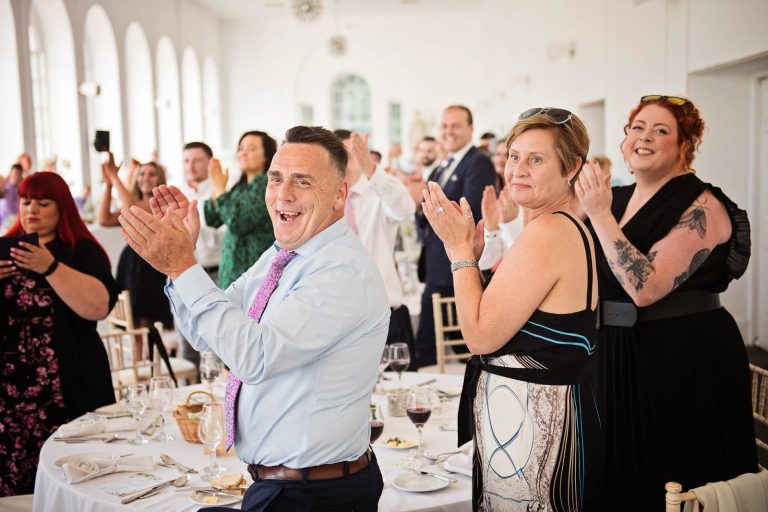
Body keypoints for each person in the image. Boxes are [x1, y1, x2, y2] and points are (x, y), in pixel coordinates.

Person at [118, 125, 388, 511]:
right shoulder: (282, 253)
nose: (284, 194)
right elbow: (208, 336)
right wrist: (180, 266)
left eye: (303, 181)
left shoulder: (340, 271)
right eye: (276, 178)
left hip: (316, 495)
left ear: (339, 195)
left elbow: (254, 357)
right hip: (282, 486)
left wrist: (182, 266)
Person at [576, 95, 757, 509]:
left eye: (661, 131)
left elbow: (646, 286)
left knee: (670, 476)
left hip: (679, 358)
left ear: (684, 145)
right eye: (637, 128)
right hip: (613, 352)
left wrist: (599, 216)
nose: (645, 137)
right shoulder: (616, 198)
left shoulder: (703, 205)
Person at [423, 107, 602, 511]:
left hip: (533, 429)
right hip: (539, 416)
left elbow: (479, 335)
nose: (518, 169)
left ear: (571, 167)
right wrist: (470, 255)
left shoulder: (547, 232)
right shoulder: (565, 226)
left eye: (536, 159)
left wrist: (457, 251)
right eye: (514, 156)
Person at [0, 172, 117, 496]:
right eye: (25, 201)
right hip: (12, 392)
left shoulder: (81, 251)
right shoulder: (5, 249)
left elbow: (97, 307)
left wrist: (49, 267)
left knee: (75, 481)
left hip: (67, 384)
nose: (31, 209)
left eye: (43, 202)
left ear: (62, 207)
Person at [414, 105, 496, 368]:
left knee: (459, 348)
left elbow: (468, 210)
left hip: (454, 267)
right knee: (430, 347)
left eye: (456, 125)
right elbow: (424, 210)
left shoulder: (478, 162)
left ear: (470, 129)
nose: (448, 131)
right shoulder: (442, 165)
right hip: (436, 266)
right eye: (444, 125)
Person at [334, 129, 416, 347]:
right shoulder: (325, 202)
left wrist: (371, 169)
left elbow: (405, 209)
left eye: (350, 156)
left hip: (384, 315)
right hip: (337, 318)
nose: (345, 164)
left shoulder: (378, 193)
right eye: (337, 157)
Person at [98, 156, 174, 332]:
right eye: (141, 174)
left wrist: (115, 177)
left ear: (160, 178)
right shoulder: (133, 203)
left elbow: (135, 209)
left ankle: (149, 357)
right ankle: (140, 358)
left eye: (151, 174)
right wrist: (109, 184)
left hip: (150, 264)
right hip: (131, 263)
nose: (145, 178)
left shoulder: (161, 204)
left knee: (147, 320)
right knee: (133, 320)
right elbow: (104, 219)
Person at [176, 141, 226, 371]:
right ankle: (189, 402)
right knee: (185, 343)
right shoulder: (177, 193)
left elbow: (225, 236)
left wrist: (192, 231)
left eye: (197, 160)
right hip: (183, 274)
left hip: (213, 273)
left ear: (209, 162)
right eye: (187, 160)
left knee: (213, 344)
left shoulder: (220, 191)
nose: (191, 166)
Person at [205, 131, 276, 289]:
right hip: (231, 275)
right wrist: (216, 188)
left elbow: (238, 222)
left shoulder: (266, 185)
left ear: (266, 155)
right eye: (240, 148)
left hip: (253, 275)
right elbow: (212, 219)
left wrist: (220, 190)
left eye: (250, 149)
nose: (242, 153)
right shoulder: (241, 187)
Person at [0, 163, 23, 229]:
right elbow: (2, 193)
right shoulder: (5, 188)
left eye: (18, 174)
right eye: (15, 174)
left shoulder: (20, 189)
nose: (16, 176)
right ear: (11, 174)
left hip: (16, 224)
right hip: (5, 226)